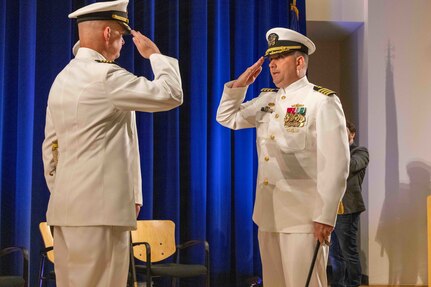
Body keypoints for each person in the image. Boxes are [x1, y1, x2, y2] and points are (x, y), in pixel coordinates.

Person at [41, 1, 183, 286]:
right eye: (121, 35)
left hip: (66, 210)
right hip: (101, 215)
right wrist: (155, 56)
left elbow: (51, 149)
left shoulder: (62, 79)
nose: (123, 44)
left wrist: (69, 193)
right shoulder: (105, 77)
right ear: (107, 33)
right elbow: (171, 94)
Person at [216, 27, 350, 287]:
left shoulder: (321, 101)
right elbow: (227, 117)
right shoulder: (268, 99)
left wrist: (326, 215)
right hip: (269, 215)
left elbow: (337, 163)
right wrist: (240, 85)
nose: (273, 66)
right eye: (271, 60)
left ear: (300, 62)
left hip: (304, 217)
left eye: (280, 58)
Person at [329, 121, 369, 287]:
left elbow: (351, 166)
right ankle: (338, 284)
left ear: (352, 134)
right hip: (331, 208)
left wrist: (337, 150)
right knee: (334, 252)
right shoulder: (332, 153)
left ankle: (353, 284)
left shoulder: (360, 151)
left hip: (348, 207)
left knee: (348, 251)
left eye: (343, 132)